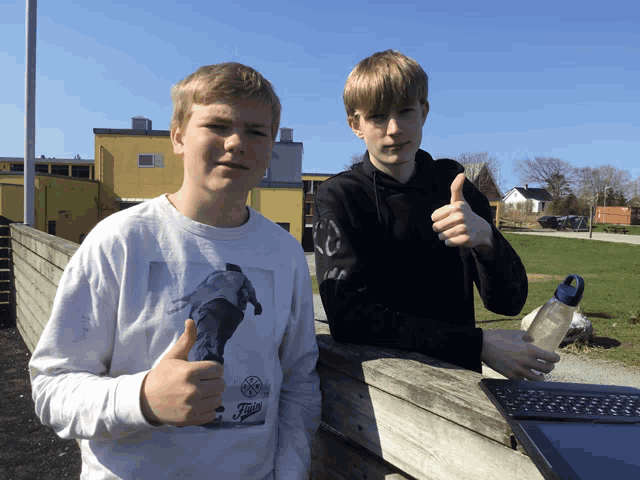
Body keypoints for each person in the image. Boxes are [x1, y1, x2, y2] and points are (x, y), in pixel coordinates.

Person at [29, 62, 321, 479]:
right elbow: (51, 387)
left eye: (256, 131)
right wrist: (143, 398)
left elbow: (298, 383)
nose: (237, 142)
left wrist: (290, 474)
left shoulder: (286, 254)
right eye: (217, 125)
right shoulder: (120, 241)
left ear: (272, 144)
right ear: (178, 136)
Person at [313, 50, 560, 381]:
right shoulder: (340, 197)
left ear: (424, 112)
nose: (394, 129)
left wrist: (487, 241)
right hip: (376, 390)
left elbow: (508, 302)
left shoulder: (458, 190)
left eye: (405, 112)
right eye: (377, 117)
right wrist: (479, 343)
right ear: (355, 124)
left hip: (458, 386)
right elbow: (349, 318)